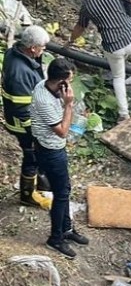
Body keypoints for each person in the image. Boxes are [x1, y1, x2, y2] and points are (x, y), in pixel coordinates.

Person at [29, 59, 90, 259]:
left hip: (52, 149)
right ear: (60, 82)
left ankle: (67, 228)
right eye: (69, 81)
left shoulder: (46, 85)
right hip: (50, 151)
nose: (70, 86)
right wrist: (69, 105)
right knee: (61, 194)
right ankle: (56, 238)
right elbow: (63, 131)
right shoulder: (45, 100)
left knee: (63, 190)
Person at [1, 25, 52, 210]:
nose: (44, 50)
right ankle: (27, 195)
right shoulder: (19, 73)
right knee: (31, 156)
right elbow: (22, 107)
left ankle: (40, 182)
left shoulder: (14, 54)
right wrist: (36, 129)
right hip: (23, 124)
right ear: (32, 48)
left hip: (21, 118)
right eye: (42, 47)